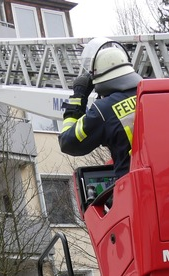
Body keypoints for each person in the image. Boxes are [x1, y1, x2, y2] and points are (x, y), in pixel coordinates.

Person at [58, 38, 142, 184]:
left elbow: (68, 142)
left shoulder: (104, 109)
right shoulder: (155, 93)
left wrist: (78, 98)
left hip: (137, 190)